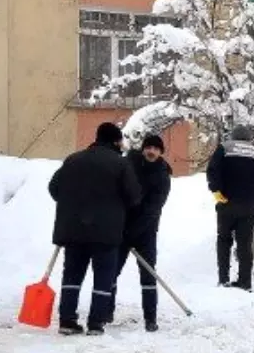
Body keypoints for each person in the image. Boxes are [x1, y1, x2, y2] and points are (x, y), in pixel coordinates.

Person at [49, 122, 142, 336]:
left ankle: (67, 320)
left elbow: (54, 188)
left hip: (73, 229)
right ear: (116, 141)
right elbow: (134, 196)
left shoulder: (73, 160)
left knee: (72, 276)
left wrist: (71, 205)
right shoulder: (120, 164)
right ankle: (96, 323)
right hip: (106, 232)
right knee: (103, 277)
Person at [109, 134, 172, 332]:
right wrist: (121, 227)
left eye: (156, 148)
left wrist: (132, 233)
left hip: (146, 232)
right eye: (148, 147)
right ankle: (106, 311)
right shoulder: (128, 164)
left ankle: (150, 318)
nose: (151, 151)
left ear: (161, 152)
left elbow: (153, 209)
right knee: (111, 272)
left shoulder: (163, 175)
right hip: (121, 229)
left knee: (148, 274)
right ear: (143, 149)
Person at [207, 126, 254, 291]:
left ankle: (223, 279)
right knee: (244, 244)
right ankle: (245, 282)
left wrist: (216, 191)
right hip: (249, 206)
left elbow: (213, 170)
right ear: (249, 138)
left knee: (224, 240)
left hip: (227, 203)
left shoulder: (225, 148)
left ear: (233, 136)